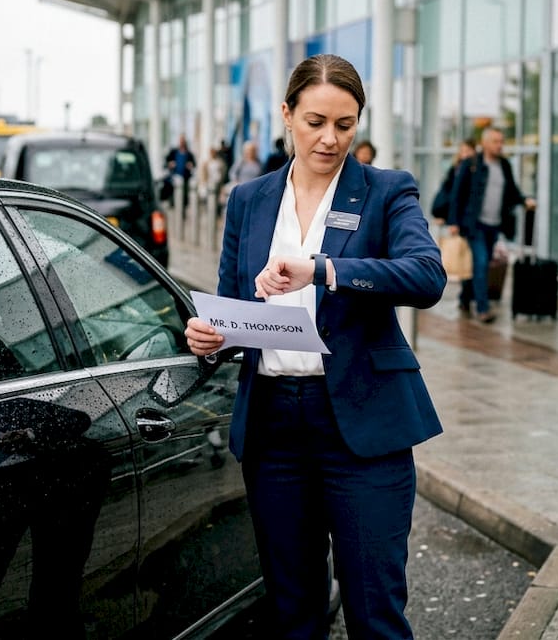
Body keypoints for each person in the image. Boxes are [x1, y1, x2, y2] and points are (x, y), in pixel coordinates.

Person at [184, 54, 445, 638]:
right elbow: (234, 304)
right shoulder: (248, 199)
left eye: (345, 125)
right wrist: (210, 338)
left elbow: (426, 276)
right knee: (292, 612)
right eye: (315, 122)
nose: (330, 139)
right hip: (274, 429)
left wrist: (325, 268)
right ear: (287, 114)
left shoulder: (386, 191)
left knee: (375, 614)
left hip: (360, 424)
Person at [449, 127, 535, 324]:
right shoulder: (471, 163)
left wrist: (524, 200)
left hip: (494, 225)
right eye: (496, 141)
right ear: (485, 143)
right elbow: (457, 194)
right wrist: (454, 221)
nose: (500, 145)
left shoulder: (504, 165)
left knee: (482, 262)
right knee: (480, 263)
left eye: (501, 141)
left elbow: (512, 191)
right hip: (475, 224)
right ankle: (482, 309)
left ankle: (464, 298)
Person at [431, 138, 478, 314]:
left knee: (473, 261)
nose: (465, 154)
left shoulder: (477, 169)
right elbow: (451, 195)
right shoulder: (456, 170)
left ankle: (468, 296)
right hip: (461, 222)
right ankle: (467, 297)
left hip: (473, 222)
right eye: (463, 150)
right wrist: (451, 219)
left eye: (468, 150)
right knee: (467, 260)